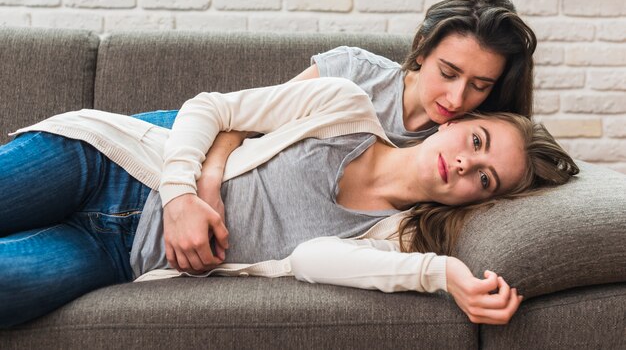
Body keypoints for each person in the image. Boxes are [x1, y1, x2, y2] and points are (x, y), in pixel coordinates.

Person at [0, 78, 577, 328]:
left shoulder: (395, 236)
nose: (466, 165)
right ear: (465, 121)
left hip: (116, 253)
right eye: (477, 143)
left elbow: (312, 262)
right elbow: (211, 108)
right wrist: (180, 194)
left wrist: (443, 271)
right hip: (106, 163)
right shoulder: (345, 107)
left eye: (485, 180)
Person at [138, 0, 538, 275]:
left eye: (479, 86)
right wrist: (207, 180)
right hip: (188, 146)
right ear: (421, 48)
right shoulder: (355, 76)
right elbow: (241, 121)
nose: (455, 98)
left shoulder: (459, 156)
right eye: (448, 72)